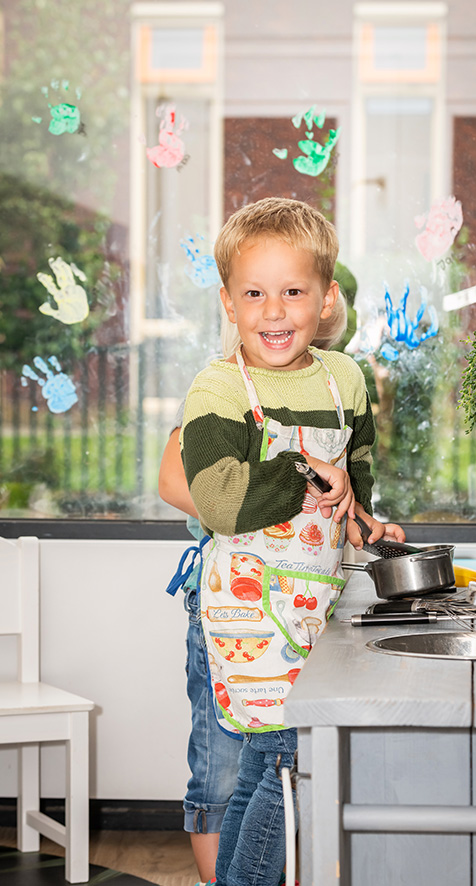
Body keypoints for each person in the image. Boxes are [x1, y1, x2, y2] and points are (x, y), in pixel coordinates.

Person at [179, 196, 405, 886]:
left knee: (261, 763)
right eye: (254, 293)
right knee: (281, 761)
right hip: (247, 607)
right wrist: (311, 470)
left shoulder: (343, 379)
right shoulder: (218, 388)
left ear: (325, 298)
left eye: (292, 292)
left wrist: (365, 519)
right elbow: (218, 501)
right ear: (227, 301)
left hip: (310, 600)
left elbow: (352, 475)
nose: (273, 312)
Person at [158, 291, 350, 885]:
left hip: (287, 601)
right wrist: (279, 495)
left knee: (261, 763)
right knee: (226, 768)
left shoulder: (330, 390)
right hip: (235, 602)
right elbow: (174, 479)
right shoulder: (227, 393)